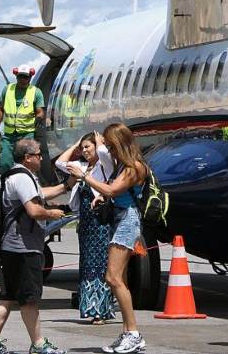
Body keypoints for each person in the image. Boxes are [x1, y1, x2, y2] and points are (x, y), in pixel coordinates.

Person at [0, 138, 68, 354]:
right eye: (38, 154)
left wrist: (67, 185)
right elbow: (34, 210)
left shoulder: (18, 175)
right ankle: (38, 344)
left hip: (10, 247)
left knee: (7, 296)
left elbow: (42, 193)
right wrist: (51, 213)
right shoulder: (22, 178)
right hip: (23, 248)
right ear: (27, 158)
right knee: (29, 299)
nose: (41, 157)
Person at [67, 123, 147, 354]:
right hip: (118, 218)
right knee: (118, 278)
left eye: (112, 146)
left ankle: (133, 333)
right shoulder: (122, 166)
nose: (109, 151)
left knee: (112, 277)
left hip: (127, 220)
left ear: (121, 144)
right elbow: (110, 191)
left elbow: (114, 190)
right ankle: (127, 333)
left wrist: (84, 176)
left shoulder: (135, 167)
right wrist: (101, 197)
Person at [55, 132, 115, 325]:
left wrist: (99, 143)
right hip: (86, 224)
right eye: (83, 148)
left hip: (101, 222)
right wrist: (74, 145)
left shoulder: (104, 165)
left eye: (88, 147)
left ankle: (101, 311)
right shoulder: (81, 167)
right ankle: (91, 307)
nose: (85, 150)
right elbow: (60, 163)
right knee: (87, 264)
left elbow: (105, 154)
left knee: (100, 265)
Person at [0, 64, 45, 173]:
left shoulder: (36, 92)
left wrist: (38, 118)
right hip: (9, 135)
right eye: (20, 76)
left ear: (30, 78)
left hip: (27, 134)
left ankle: (27, 183)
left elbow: (40, 112)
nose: (23, 79)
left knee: (27, 163)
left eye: (26, 77)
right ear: (16, 76)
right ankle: (5, 184)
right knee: (5, 163)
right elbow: (0, 109)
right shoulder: (7, 89)